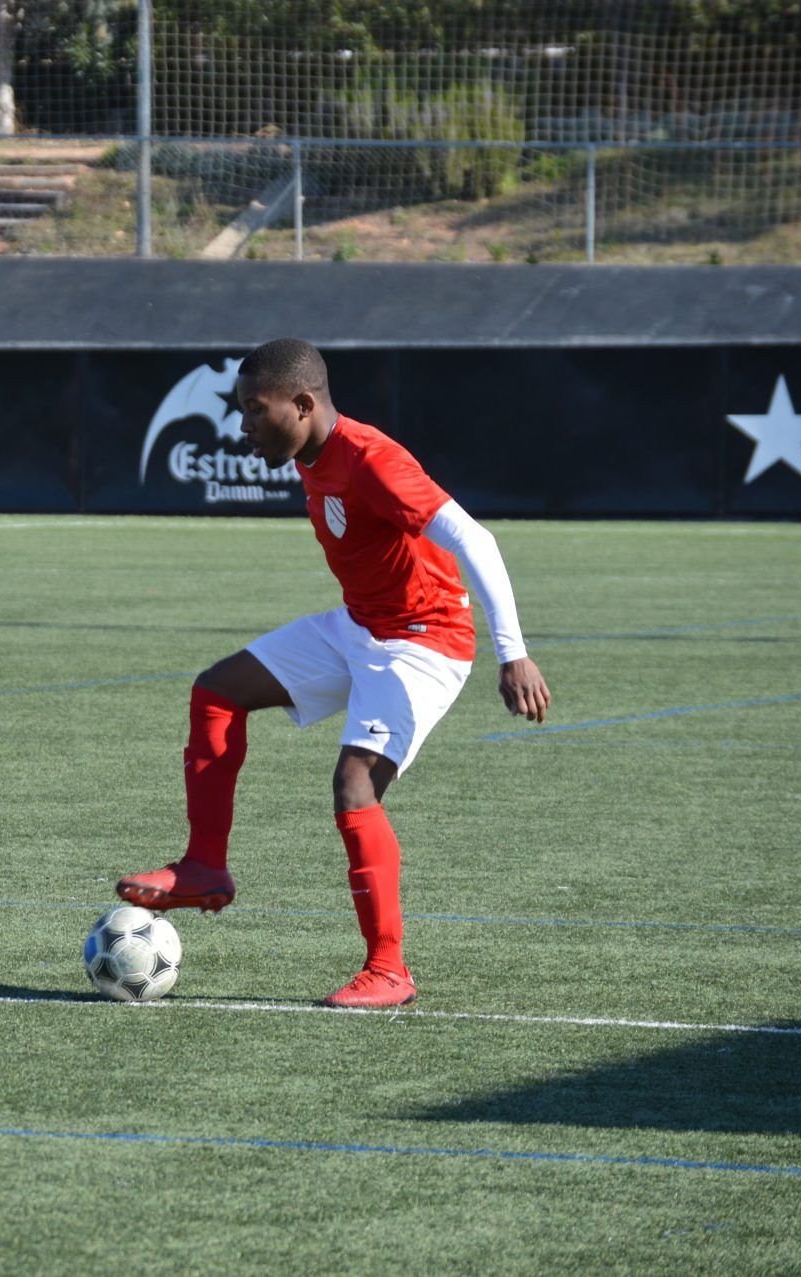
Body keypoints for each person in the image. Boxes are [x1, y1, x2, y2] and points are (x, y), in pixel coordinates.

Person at [116, 338, 551, 1009]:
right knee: (218, 691)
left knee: (354, 786)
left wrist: (513, 651)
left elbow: (476, 540)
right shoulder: (311, 451)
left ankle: (389, 969)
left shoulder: (374, 460)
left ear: (303, 403)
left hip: (422, 642)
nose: (244, 426)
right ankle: (204, 865)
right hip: (359, 626)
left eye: (256, 411)